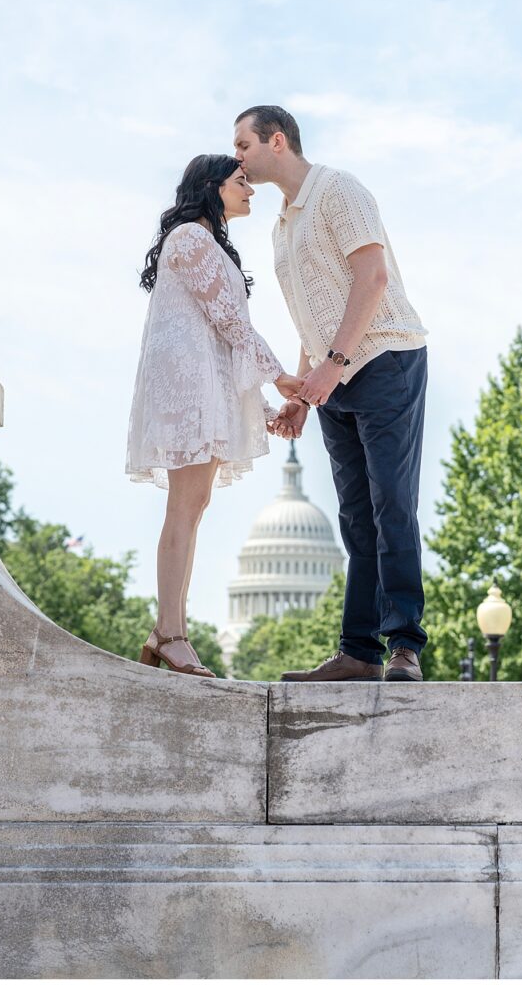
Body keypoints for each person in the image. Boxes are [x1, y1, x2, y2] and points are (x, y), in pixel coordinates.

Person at [233, 106, 429, 683]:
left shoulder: (339, 190)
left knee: (392, 503)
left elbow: (373, 280)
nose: (237, 155)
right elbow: (308, 318)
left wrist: (334, 364)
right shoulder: (281, 227)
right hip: (333, 378)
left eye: (243, 144)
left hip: (384, 358)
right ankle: (359, 651)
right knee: (356, 516)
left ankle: (403, 644)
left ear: (277, 141)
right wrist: (302, 391)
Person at [125, 154, 303, 677]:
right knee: (184, 507)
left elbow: (225, 342)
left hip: (207, 387)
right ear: (212, 186)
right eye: (241, 181)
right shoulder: (190, 238)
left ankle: (170, 631)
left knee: (195, 503)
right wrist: (282, 379)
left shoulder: (207, 243)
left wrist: (264, 405)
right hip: (187, 391)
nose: (251, 189)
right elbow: (228, 322)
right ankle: (169, 632)